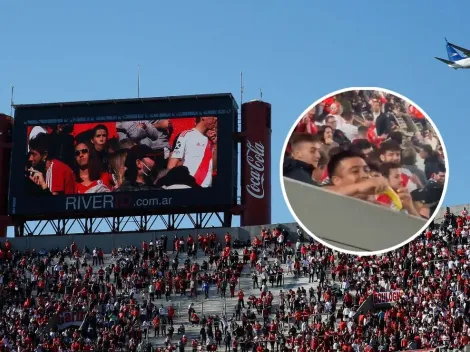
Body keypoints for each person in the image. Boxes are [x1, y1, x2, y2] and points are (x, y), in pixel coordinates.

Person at [168, 116, 217, 187]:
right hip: (188, 185)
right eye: (213, 116)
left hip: (206, 188)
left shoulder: (211, 140)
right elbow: (171, 165)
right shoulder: (186, 135)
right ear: (203, 117)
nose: (215, 119)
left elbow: (214, 167)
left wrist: (215, 144)